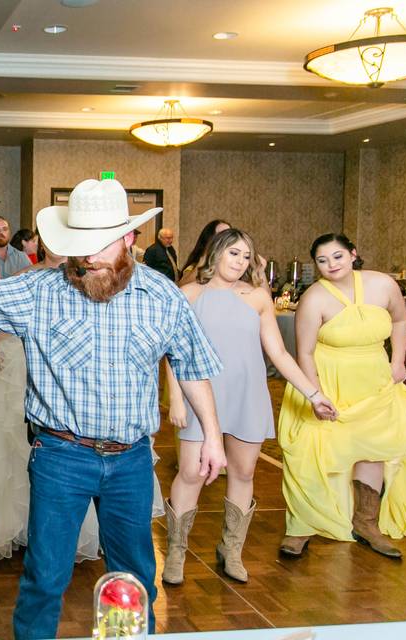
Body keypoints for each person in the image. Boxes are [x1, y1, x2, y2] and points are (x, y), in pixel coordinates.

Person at [0, 178, 226, 638]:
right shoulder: (42, 291)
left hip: (132, 460)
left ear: (130, 238)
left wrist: (212, 434)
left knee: (133, 577)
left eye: (100, 246)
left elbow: (192, 365)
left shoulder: (162, 295)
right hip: (61, 457)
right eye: (80, 247)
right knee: (45, 577)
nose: (89, 258)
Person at [163, 229, 337, 585]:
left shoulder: (258, 297)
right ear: (215, 254)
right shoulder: (190, 294)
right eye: (233, 254)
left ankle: (232, 550)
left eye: (246, 256)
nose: (240, 262)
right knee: (191, 473)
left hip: (247, 395)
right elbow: (172, 352)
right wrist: (176, 399)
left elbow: (279, 354)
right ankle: (176, 552)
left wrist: (314, 394)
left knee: (243, 474)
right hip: (201, 396)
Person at [277, 233, 406, 559]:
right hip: (329, 378)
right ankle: (300, 526)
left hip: (374, 377)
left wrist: (398, 360)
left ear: (353, 254)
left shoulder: (383, 284)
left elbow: (400, 321)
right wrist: (316, 395)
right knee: (313, 451)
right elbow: (305, 353)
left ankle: (366, 522)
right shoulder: (314, 298)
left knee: (374, 447)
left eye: (338, 257)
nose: (331, 265)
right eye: (322, 260)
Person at [0, 243, 108, 562]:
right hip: (22, 374)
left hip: (70, 378)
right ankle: (18, 528)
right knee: (15, 454)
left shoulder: (86, 279)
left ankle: (68, 533)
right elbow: (1, 325)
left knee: (72, 455)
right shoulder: (26, 276)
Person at [178, 219, 230, 285]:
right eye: (221, 235)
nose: (226, 239)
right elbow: (181, 286)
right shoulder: (198, 264)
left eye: (229, 234)